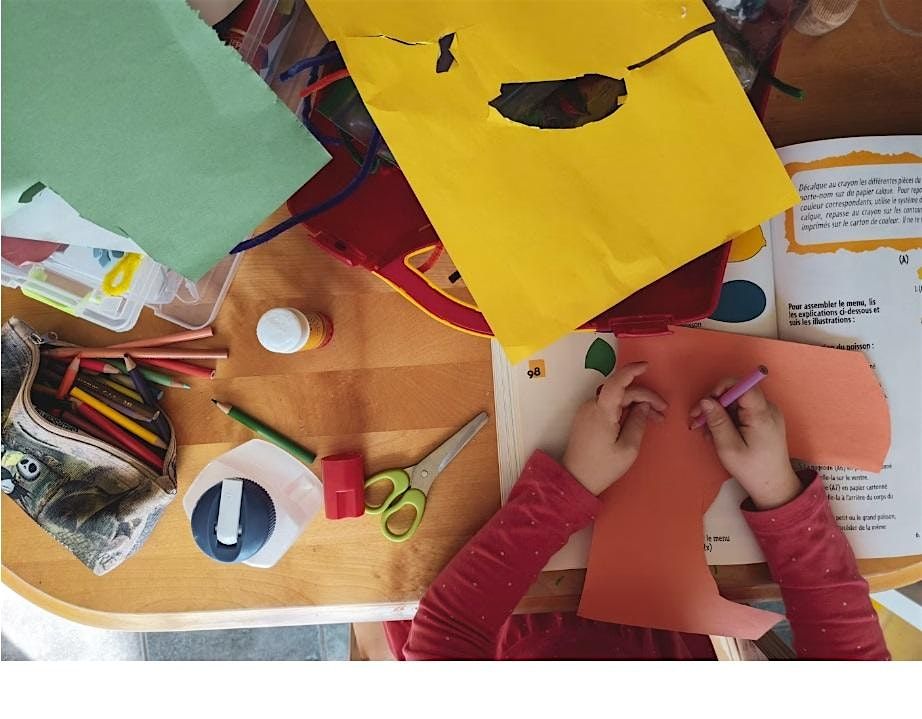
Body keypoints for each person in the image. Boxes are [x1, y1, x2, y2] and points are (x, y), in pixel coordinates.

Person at [382, 362, 889, 660]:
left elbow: (448, 630)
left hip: (511, 621)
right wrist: (779, 493)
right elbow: (848, 650)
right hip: (673, 624)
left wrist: (568, 488)